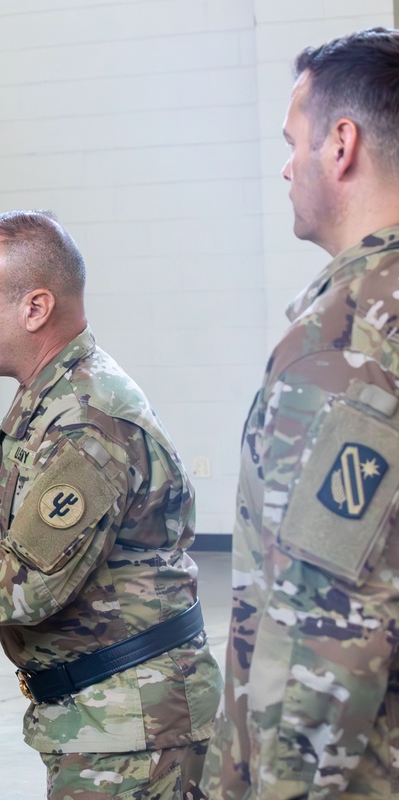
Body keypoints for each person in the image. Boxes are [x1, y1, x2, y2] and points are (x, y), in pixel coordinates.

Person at [0, 210, 222, 799]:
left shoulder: (86, 420)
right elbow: (6, 479)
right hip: (107, 715)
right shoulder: (57, 392)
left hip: (135, 732)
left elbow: (23, 583)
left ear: (35, 308)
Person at [201, 28, 399, 799]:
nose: (287, 166)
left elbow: (327, 633)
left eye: (295, 142)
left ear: (341, 145)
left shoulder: (347, 339)